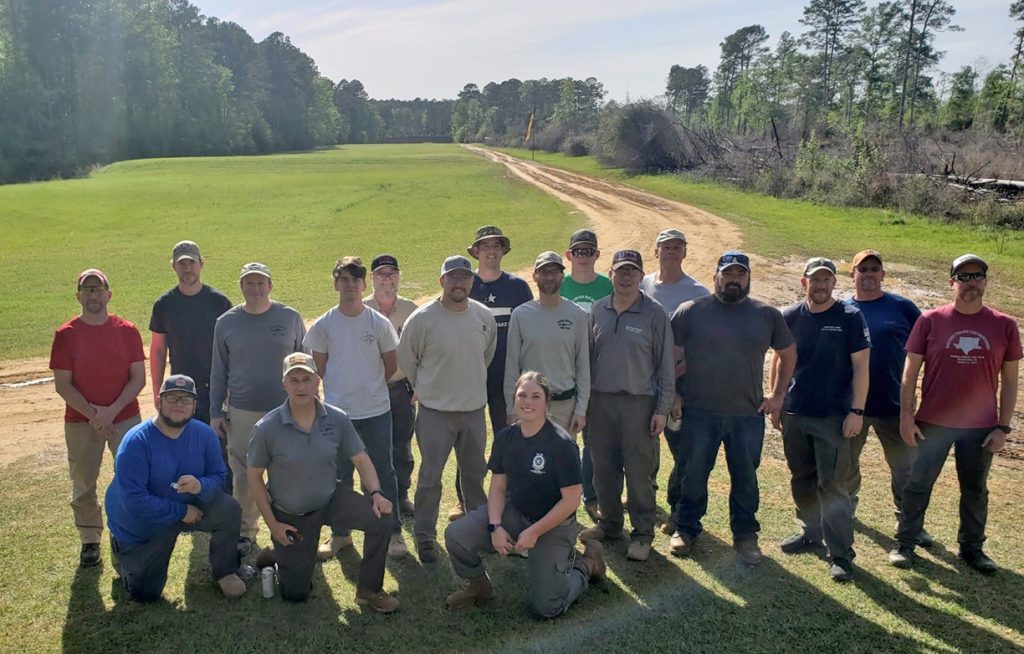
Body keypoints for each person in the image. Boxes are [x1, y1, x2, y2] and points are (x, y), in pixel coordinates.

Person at [889, 254, 1021, 574]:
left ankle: (972, 549)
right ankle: (905, 543)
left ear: (986, 282)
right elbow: (909, 376)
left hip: (981, 426)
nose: (971, 283)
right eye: (963, 277)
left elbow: (1011, 381)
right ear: (952, 283)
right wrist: (906, 418)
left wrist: (1003, 427)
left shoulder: (1005, 326)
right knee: (918, 484)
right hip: (932, 422)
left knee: (974, 490)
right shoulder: (931, 320)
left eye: (977, 276)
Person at [669, 251, 795, 566]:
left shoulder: (766, 315)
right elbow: (665, 356)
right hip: (699, 412)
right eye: (728, 274)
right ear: (716, 276)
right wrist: (672, 393)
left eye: (740, 274)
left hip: (746, 415)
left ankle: (745, 536)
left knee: (745, 478)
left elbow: (788, 352)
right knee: (693, 474)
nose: (734, 279)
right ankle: (686, 529)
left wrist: (778, 395)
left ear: (748, 277)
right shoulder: (690, 312)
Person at [444, 372, 605, 618]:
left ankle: (587, 564)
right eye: (522, 395)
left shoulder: (561, 444)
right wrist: (495, 526)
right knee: (456, 535)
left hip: (553, 525)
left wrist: (534, 532)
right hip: (515, 514)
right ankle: (479, 587)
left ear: (546, 403)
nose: (527, 402)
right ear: (514, 398)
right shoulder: (506, 437)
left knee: (546, 608)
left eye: (535, 396)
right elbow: (498, 487)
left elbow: (571, 501)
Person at [247, 353, 399, 611]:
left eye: (306, 378)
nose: (300, 386)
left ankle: (369, 590)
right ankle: (277, 555)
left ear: (318, 381)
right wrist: (273, 524)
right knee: (295, 594)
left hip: (330, 499)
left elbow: (361, 458)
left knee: (382, 519)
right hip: (292, 513)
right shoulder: (267, 427)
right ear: (284, 384)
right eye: (293, 380)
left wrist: (376, 493)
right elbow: (254, 477)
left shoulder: (337, 418)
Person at [106, 375, 248, 601]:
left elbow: (219, 476)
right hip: (144, 522)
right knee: (145, 594)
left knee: (228, 508)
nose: (179, 404)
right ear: (158, 402)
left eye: (186, 399)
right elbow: (134, 501)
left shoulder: (204, 434)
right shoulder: (135, 442)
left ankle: (225, 570)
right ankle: (122, 551)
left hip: (187, 504)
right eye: (171, 398)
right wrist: (181, 512)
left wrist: (201, 485)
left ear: (194, 406)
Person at [774, 257, 870, 583]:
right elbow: (780, 361)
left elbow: (861, 367)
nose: (820, 285)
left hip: (833, 417)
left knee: (832, 486)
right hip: (795, 413)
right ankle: (810, 532)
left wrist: (856, 412)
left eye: (826, 280)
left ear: (834, 283)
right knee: (801, 478)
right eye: (814, 279)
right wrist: (776, 401)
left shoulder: (849, 317)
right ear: (804, 282)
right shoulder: (789, 317)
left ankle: (841, 554)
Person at [304, 256, 405, 560]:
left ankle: (393, 532)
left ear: (363, 284)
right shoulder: (323, 325)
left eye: (355, 280)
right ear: (335, 283)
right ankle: (340, 534)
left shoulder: (378, 323)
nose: (349, 286)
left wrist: (368, 388)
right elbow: (318, 370)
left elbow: (391, 366)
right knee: (339, 474)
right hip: (337, 414)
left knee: (383, 473)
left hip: (375, 411)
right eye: (343, 280)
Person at [398, 255, 497, 563]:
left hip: (472, 412)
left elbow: (486, 356)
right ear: (441, 280)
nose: (459, 282)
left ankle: (478, 531)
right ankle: (425, 536)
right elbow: (407, 360)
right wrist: (427, 388)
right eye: (452, 277)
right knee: (430, 478)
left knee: (474, 476)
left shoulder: (483, 316)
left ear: (471, 281)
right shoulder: (423, 318)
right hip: (434, 414)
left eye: (464, 277)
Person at [579, 250, 675, 562]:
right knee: (603, 470)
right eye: (620, 271)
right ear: (611, 274)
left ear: (640, 275)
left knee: (638, 473)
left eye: (632, 271)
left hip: (639, 404)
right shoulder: (598, 309)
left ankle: (643, 533)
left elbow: (665, 367)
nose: (626, 277)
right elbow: (587, 362)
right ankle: (609, 525)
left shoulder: (654, 313)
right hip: (601, 402)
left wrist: (661, 409)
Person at [50, 268, 146, 567]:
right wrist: (96, 416)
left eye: (98, 288)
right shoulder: (65, 335)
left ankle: (127, 533)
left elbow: (138, 379)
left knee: (132, 478)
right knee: (83, 483)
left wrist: (111, 412)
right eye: (87, 289)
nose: (93, 294)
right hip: (81, 422)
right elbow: (62, 384)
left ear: (109, 294)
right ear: (78, 296)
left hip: (125, 418)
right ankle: (90, 540)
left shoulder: (127, 330)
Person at [209, 262, 306, 556]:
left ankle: (289, 527)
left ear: (270, 285)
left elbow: (306, 365)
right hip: (241, 411)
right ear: (241, 287)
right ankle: (245, 532)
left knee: (287, 471)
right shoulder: (226, 322)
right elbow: (218, 371)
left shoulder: (290, 317)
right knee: (244, 475)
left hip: (285, 410)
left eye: (261, 282)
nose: (256, 288)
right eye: (249, 283)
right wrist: (215, 412)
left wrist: (309, 407)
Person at [844, 250, 930, 546]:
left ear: (883, 275)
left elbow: (926, 351)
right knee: (846, 464)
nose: (868, 274)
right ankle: (845, 512)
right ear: (852, 274)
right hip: (853, 406)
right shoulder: (842, 309)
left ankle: (910, 524)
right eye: (862, 269)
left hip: (895, 406)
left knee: (906, 468)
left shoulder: (903, 308)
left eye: (874, 269)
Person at [456, 225, 533, 520]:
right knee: (467, 442)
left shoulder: (517, 287)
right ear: (475, 252)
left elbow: (528, 332)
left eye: (496, 246)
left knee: (510, 440)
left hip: (508, 380)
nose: (490, 251)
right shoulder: (464, 284)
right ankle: (465, 499)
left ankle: (512, 497)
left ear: (503, 251)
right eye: (484, 246)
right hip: (471, 378)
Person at [639, 228, 710, 535]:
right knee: (644, 446)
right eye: (665, 246)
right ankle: (645, 499)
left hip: (681, 387)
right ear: (655, 252)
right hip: (644, 383)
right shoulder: (642, 286)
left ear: (685, 252)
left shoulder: (697, 292)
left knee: (684, 452)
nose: (670, 251)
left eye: (677, 246)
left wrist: (677, 390)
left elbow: (705, 344)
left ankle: (679, 512)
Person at [149, 240, 233, 488]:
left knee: (220, 449)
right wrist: (157, 390)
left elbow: (230, 348)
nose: (187, 268)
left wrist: (229, 388)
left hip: (215, 388)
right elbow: (157, 349)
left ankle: (223, 504)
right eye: (181, 264)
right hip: (181, 389)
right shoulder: (164, 305)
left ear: (201, 263)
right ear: (173, 266)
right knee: (184, 446)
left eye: (191, 263)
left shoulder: (219, 302)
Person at [560, 228, 613, 522]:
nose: (583, 257)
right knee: (564, 438)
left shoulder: (608, 286)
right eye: (578, 251)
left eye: (588, 251)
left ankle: (592, 496)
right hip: (565, 374)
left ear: (596, 255)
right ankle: (562, 496)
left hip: (598, 373)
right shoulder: (559, 284)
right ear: (569, 255)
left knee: (594, 441)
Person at [504, 251, 589, 433]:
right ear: (535, 276)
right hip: (530, 405)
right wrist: (512, 409)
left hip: (565, 406)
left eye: (554, 272)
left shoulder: (578, 315)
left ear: (562, 277)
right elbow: (511, 366)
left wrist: (580, 410)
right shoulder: (520, 315)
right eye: (544, 272)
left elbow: (583, 366)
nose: (549, 277)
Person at [365, 254, 420, 518]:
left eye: (391, 273)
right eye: (381, 274)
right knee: (372, 448)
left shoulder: (411, 310)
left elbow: (424, 349)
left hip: (401, 389)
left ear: (398, 277)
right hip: (370, 391)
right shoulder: (360, 308)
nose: (387, 278)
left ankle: (401, 496)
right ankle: (375, 498)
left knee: (402, 447)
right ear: (372, 279)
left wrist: (419, 384)